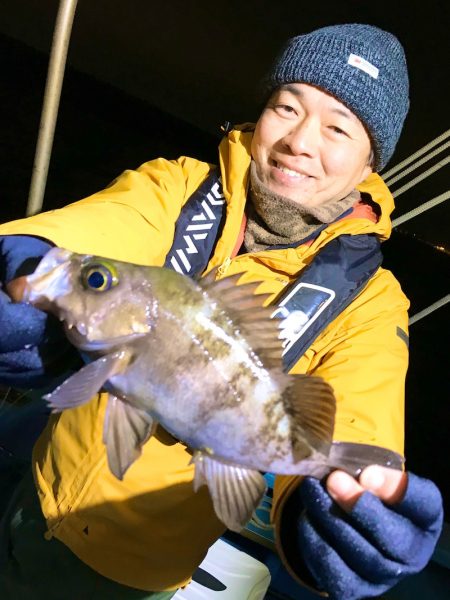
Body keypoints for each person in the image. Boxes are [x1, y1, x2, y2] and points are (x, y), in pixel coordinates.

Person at [0, 23, 443, 600]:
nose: (300, 141)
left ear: (368, 166)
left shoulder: (373, 303)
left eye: (338, 127)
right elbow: (78, 237)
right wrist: (28, 260)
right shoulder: (176, 187)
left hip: (135, 576)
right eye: (287, 107)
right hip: (32, 495)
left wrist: (344, 504)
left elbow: (361, 417)